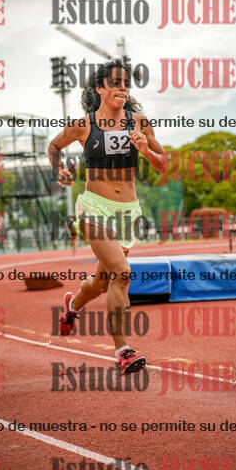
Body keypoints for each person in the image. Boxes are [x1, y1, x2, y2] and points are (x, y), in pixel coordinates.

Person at [48, 60, 165, 374]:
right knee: (122, 273)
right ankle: (123, 351)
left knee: (102, 283)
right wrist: (59, 170)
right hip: (94, 207)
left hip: (128, 212)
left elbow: (163, 164)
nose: (123, 88)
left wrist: (146, 150)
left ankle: (72, 305)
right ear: (100, 88)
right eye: (115, 83)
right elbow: (54, 146)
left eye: (126, 83)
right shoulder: (83, 125)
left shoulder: (139, 123)